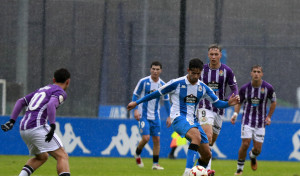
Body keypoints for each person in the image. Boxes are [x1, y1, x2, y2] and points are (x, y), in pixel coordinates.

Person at [127, 58, 240, 176]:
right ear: (188, 70)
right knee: (196, 136)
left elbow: (217, 103)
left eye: (198, 73)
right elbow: (155, 94)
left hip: (193, 122)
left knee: (207, 155)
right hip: (178, 118)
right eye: (193, 73)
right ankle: (187, 172)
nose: (196, 76)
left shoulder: (203, 87)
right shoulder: (176, 83)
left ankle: (199, 172)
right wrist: (136, 103)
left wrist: (228, 103)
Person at [1, 68, 71, 176]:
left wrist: (11, 121)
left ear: (53, 79)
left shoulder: (42, 90)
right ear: (68, 81)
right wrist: (52, 125)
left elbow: (21, 101)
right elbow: (51, 104)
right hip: (37, 127)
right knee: (62, 156)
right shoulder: (59, 92)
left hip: (24, 128)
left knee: (42, 157)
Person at [198, 44, 238, 170]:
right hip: (204, 107)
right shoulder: (202, 70)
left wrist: (234, 97)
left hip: (219, 109)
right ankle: (205, 170)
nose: (214, 57)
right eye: (211, 54)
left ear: (221, 55)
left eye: (216, 54)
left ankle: (200, 166)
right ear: (208, 55)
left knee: (210, 142)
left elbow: (234, 88)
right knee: (207, 136)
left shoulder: (227, 71)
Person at [231, 65, 276, 175]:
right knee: (245, 144)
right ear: (251, 73)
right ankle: (239, 169)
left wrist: (269, 116)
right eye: (254, 71)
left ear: (262, 74)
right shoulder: (245, 88)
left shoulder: (268, 88)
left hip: (260, 123)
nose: (256, 73)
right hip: (247, 121)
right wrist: (235, 113)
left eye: (258, 72)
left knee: (258, 150)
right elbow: (239, 102)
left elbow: (273, 102)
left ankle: (252, 156)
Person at [131, 61, 171, 170]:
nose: (155, 71)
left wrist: (169, 116)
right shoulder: (143, 82)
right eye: (153, 69)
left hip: (155, 117)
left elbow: (166, 101)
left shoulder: (163, 85)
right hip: (143, 115)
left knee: (157, 140)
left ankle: (155, 164)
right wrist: (135, 110)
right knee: (146, 138)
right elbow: (135, 96)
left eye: (157, 69)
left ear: (161, 71)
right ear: (150, 69)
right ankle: (137, 154)